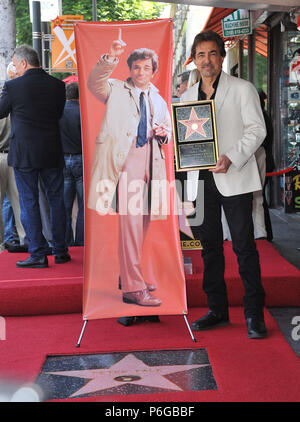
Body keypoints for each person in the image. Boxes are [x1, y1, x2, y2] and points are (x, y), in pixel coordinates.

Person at [181, 30, 267, 339]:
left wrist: (232, 156)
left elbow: (257, 130)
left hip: (236, 177)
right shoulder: (186, 97)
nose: (207, 60)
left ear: (222, 56)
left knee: (244, 247)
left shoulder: (243, 89)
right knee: (210, 249)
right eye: (201, 55)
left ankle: (254, 313)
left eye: (212, 54)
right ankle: (217, 309)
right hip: (201, 180)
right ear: (195, 59)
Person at [87, 36, 171, 312]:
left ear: (153, 70)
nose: (141, 72)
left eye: (146, 68)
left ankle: (128, 276)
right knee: (131, 227)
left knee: (142, 224)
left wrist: (164, 134)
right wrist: (109, 56)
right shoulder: (115, 88)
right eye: (136, 67)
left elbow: (167, 131)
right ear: (130, 69)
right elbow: (93, 84)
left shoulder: (157, 98)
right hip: (127, 163)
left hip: (152, 162)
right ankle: (134, 289)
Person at [0, 44, 70, 268]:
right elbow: (58, 114)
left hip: (24, 155)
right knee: (56, 201)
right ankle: (60, 250)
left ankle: (38, 252)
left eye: (15, 63)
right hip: (52, 151)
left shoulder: (12, 87)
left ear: (23, 62)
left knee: (29, 202)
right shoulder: (58, 86)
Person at [0, 62, 27, 253]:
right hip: (16, 156)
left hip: (6, 155)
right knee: (20, 203)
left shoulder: (5, 102)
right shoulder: (21, 102)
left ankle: (2, 244)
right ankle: (26, 239)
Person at [59, 82, 84, 246]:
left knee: (65, 205)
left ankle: (66, 240)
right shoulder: (83, 112)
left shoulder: (57, 112)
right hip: (81, 160)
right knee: (83, 204)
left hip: (62, 160)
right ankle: (81, 240)